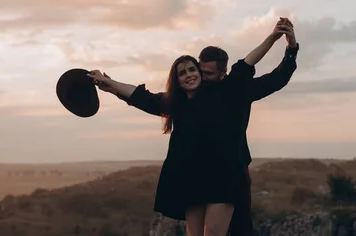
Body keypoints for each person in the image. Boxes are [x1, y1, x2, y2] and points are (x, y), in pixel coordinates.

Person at [87, 21, 294, 236]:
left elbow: (251, 64)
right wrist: (110, 85)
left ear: (222, 73)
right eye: (184, 73)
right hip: (192, 176)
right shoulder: (179, 103)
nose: (195, 76)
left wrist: (277, 38)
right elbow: (143, 97)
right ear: (177, 80)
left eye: (194, 70)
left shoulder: (231, 90)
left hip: (226, 176)